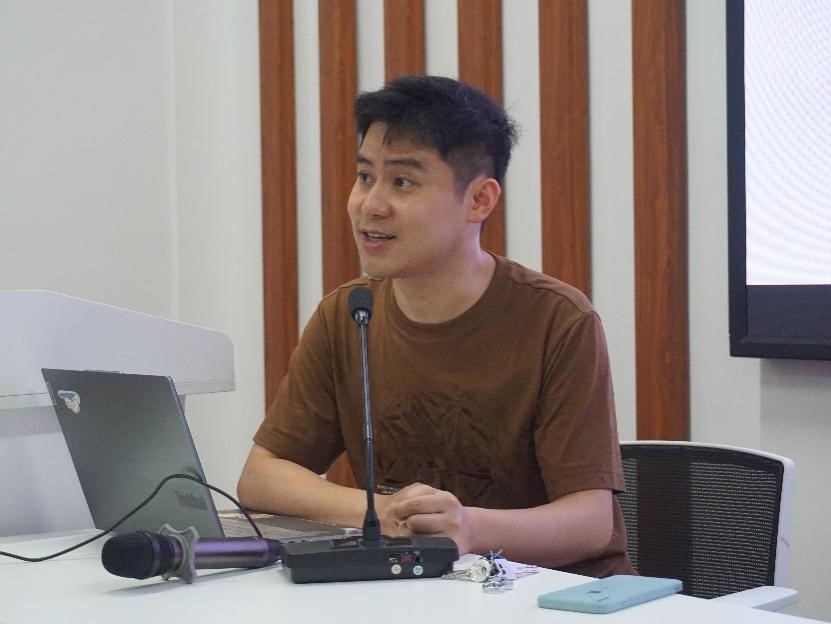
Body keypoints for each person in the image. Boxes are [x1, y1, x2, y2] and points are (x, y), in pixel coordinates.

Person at [238, 75, 634, 577]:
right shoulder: (349, 313)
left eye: (402, 182)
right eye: (365, 176)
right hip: (418, 590)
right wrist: (383, 513)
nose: (371, 204)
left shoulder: (557, 319)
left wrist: (469, 528)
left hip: (552, 595)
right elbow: (262, 478)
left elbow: (591, 523)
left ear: (479, 200)